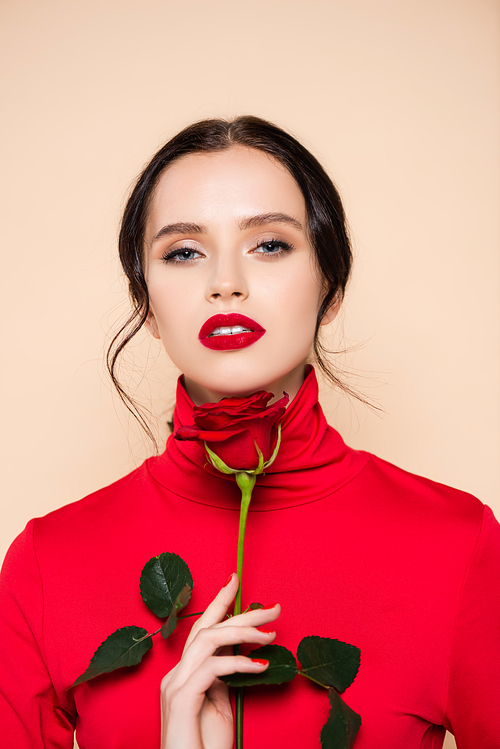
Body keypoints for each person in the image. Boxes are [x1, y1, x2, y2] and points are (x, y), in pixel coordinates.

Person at [1, 116, 499, 749]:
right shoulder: (48, 565)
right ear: (146, 303)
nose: (225, 283)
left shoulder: (458, 547)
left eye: (269, 245)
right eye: (183, 252)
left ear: (330, 286)